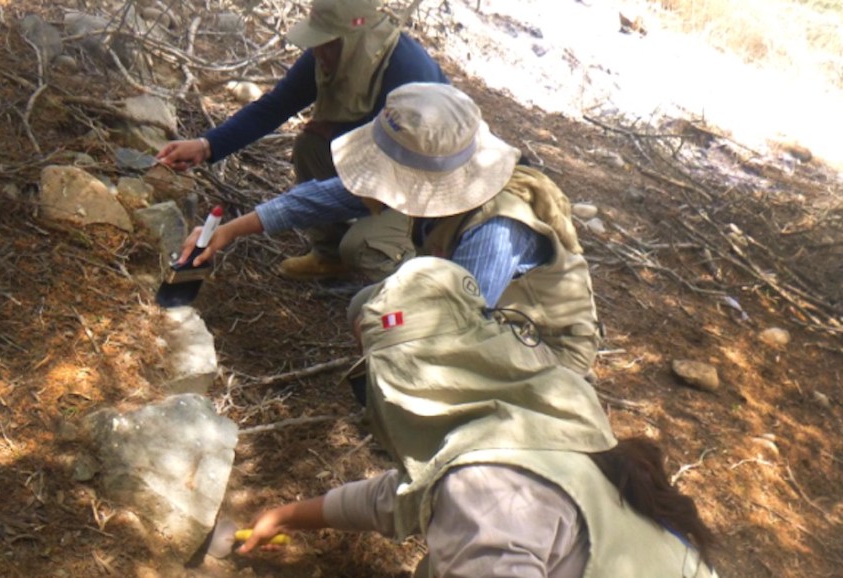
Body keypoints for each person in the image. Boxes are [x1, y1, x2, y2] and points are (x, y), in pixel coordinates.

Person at [235, 257, 719, 578]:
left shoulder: (485, 491)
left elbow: (473, 498)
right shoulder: (546, 417)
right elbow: (405, 495)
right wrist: (286, 517)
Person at [178, 83, 599, 376]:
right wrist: (229, 231)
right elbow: (322, 198)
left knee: (390, 326)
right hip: (480, 312)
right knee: (371, 311)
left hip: (541, 345)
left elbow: (465, 326)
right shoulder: (440, 175)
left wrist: (399, 342)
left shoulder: (499, 226)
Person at [157, 0, 447, 281]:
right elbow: (275, 106)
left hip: (425, 187)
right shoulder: (328, 56)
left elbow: (383, 172)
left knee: (364, 246)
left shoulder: (409, 73)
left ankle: (409, 283)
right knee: (312, 146)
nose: (317, 51)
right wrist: (207, 145)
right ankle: (330, 257)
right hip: (374, 172)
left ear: (355, 39)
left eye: (327, 43)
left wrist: (236, 227)